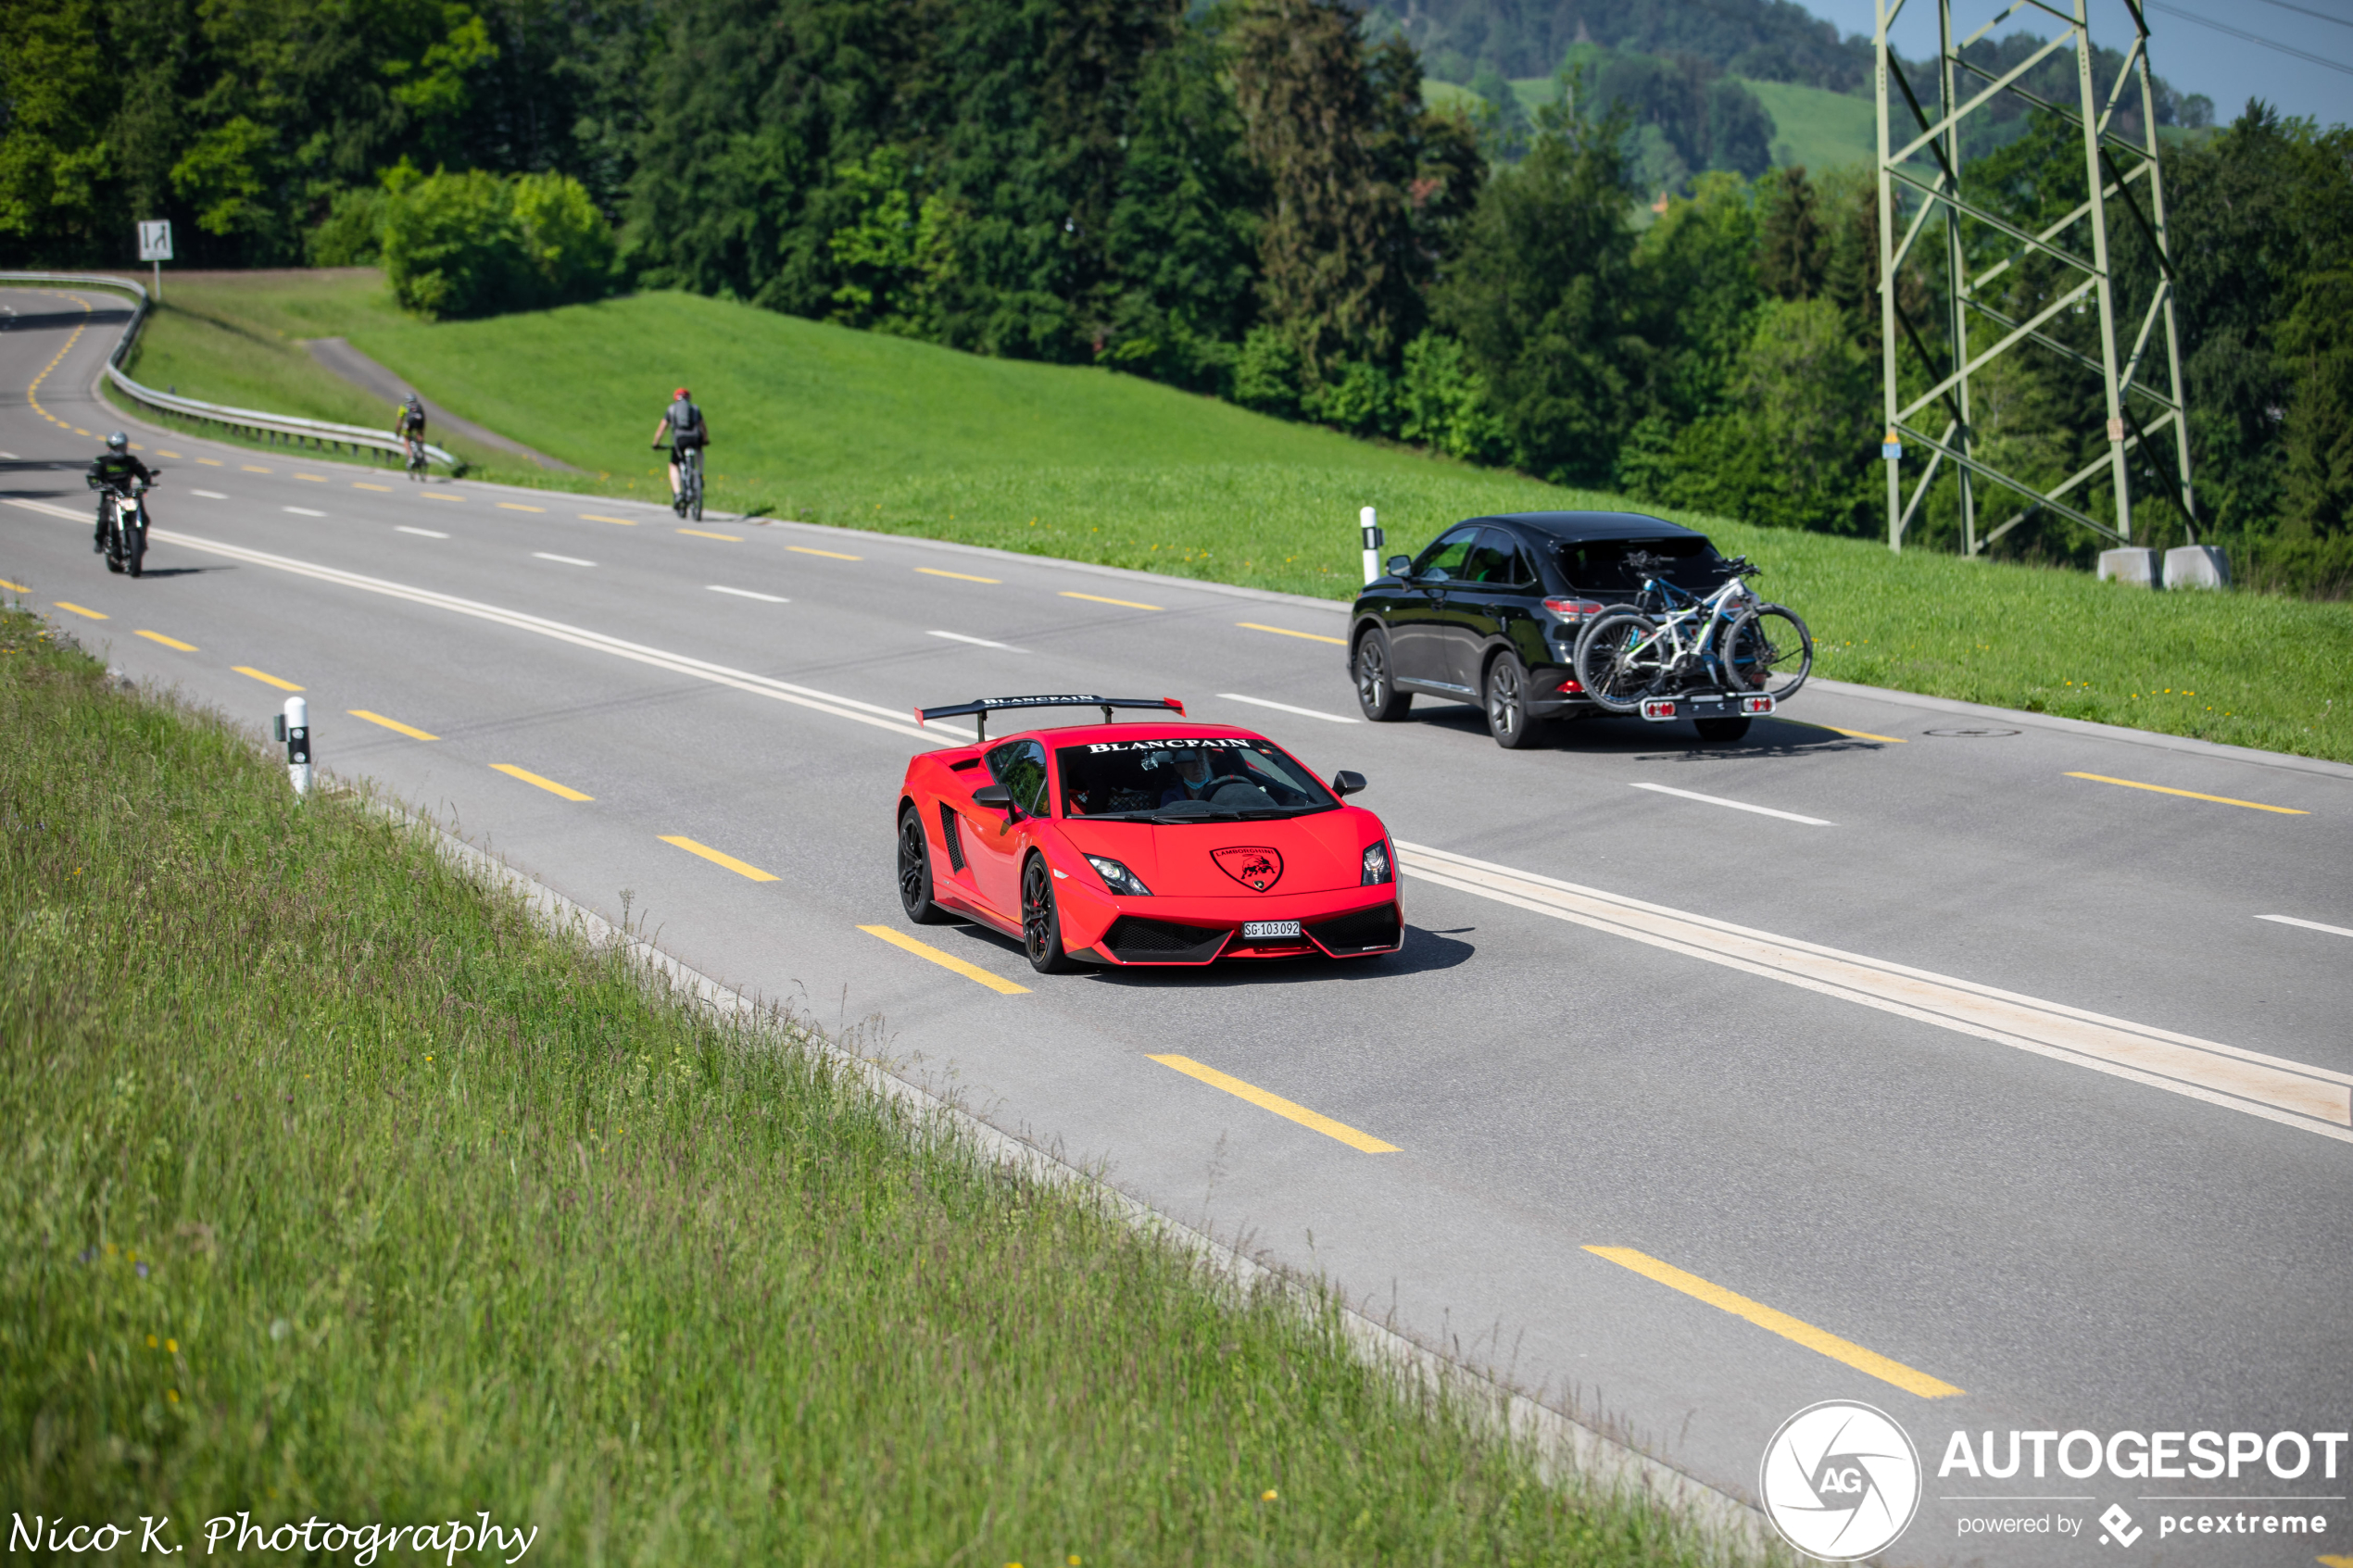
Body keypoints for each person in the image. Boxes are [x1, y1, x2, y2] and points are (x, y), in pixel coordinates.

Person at [86, 433, 153, 554]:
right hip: (110, 495)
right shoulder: (102, 461)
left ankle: (141, 542)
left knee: (145, 519)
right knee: (103, 520)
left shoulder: (131, 460)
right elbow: (93, 476)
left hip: (128, 495)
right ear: (109, 447)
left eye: (122, 447)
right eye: (117, 448)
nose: (120, 450)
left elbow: (145, 475)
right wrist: (96, 484)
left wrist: (144, 486)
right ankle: (100, 540)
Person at [649, 387, 708, 511]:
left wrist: (655, 443)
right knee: (699, 450)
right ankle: (700, 474)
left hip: (680, 440)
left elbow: (662, 429)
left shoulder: (672, 409)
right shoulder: (695, 409)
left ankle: (678, 493)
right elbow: (703, 427)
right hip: (695, 438)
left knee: (673, 465)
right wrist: (705, 439)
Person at [393, 394, 428, 469]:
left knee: (406, 439)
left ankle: (411, 458)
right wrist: (422, 432)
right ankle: (420, 451)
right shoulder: (419, 405)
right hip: (420, 421)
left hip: (410, 422)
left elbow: (400, 420)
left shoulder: (404, 406)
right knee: (419, 435)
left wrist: (397, 431)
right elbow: (424, 418)